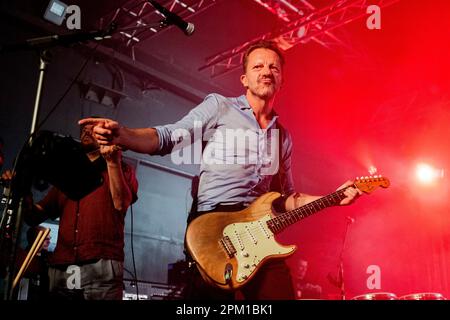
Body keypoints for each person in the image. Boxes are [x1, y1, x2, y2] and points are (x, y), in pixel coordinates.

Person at [79, 40, 361, 300]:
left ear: (282, 79)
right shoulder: (220, 106)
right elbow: (171, 136)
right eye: (258, 66)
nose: (266, 71)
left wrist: (333, 197)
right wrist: (124, 135)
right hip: (214, 229)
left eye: (273, 67)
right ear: (244, 79)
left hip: (259, 233)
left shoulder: (283, 137)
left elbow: (286, 198)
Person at [4, 122, 139, 300]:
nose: (86, 131)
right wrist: (23, 191)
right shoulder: (66, 174)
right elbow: (34, 216)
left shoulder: (122, 169)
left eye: (93, 128)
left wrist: (113, 162)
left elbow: (121, 203)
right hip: (62, 266)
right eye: (84, 129)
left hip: (100, 265)